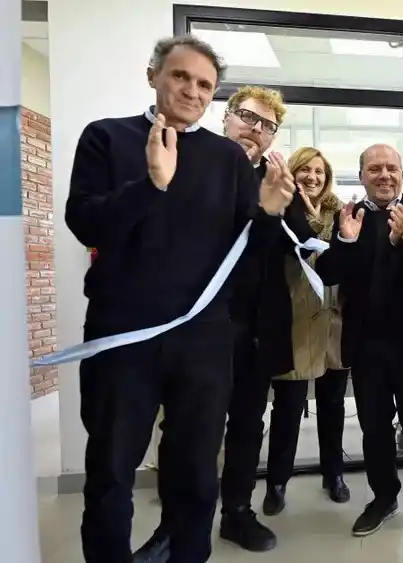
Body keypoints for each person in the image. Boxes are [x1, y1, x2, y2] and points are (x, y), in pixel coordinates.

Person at [66, 35, 294, 563]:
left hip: (204, 342)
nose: (192, 90)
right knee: (110, 471)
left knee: (194, 472)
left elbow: (245, 254)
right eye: (180, 76)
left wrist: (269, 214)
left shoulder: (227, 160)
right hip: (122, 339)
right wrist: (151, 184)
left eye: (204, 84)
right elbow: (85, 222)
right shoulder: (106, 138)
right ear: (154, 76)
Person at [131, 83, 297, 562]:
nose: (255, 129)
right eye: (247, 116)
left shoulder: (275, 177)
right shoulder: (187, 162)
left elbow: (293, 246)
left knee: (248, 424)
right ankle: (173, 527)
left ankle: (237, 513)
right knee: (185, 429)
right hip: (194, 326)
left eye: (267, 125)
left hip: (256, 328)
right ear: (226, 117)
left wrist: (284, 206)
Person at [315, 144, 403, 543]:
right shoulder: (349, 218)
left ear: (402, 172)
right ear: (363, 175)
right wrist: (348, 241)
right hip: (367, 345)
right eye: (375, 169)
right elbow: (330, 273)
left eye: (391, 168)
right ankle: (384, 498)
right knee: (373, 429)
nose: (384, 175)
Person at [259, 146, 351, 518]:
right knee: (288, 408)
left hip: (334, 323)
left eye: (319, 171)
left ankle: (334, 474)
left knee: (333, 405)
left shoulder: (340, 213)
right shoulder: (279, 212)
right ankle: (277, 482)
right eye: (305, 170)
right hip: (295, 324)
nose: (313, 177)